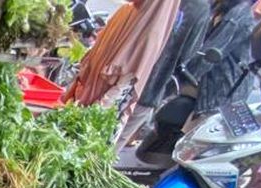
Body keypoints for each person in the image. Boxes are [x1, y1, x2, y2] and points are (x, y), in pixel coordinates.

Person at [62, 0, 183, 133]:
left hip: (96, 106)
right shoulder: (127, 12)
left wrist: (96, 111)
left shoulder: (150, 31)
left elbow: (125, 85)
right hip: (83, 92)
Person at [117, 0, 212, 147]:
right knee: (119, 136)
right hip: (152, 84)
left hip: (123, 71)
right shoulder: (200, 8)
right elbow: (188, 54)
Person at [183, 0, 257, 125]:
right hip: (214, 86)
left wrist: (179, 78)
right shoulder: (224, 9)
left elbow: (208, 56)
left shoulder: (236, 16)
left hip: (220, 94)